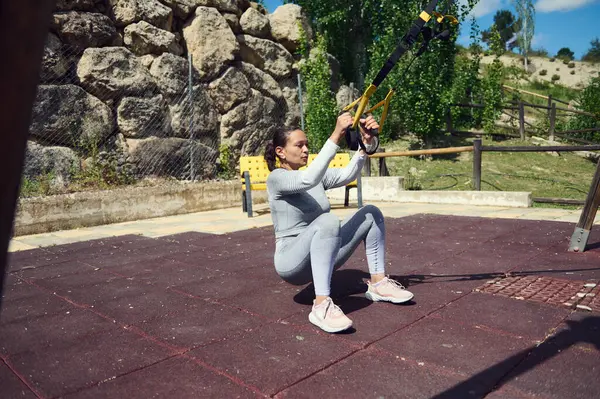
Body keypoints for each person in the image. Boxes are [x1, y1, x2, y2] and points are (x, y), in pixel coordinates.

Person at [263, 112, 414, 333]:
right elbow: (307, 179)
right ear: (281, 152)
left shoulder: (314, 177)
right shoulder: (277, 179)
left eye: (307, 144)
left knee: (371, 213)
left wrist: (365, 145)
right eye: (299, 145)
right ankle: (321, 304)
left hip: (322, 253)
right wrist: (336, 134)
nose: (306, 149)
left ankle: (379, 283)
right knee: (327, 221)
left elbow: (347, 175)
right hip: (291, 263)